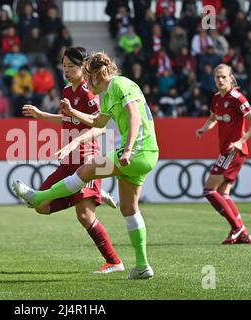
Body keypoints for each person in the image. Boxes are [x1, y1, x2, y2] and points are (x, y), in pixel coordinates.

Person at [13, 52, 159, 280]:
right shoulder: (108, 94)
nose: (88, 83)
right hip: (144, 155)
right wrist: (71, 113)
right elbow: (98, 121)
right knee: (129, 210)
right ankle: (142, 266)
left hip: (138, 150)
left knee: (86, 170)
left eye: (89, 76)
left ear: (97, 74)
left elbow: (133, 116)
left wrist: (128, 148)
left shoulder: (120, 84)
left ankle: (39, 197)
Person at [19, 47, 123, 274]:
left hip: (87, 160)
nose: (66, 70)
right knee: (40, 205)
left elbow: (99, 125)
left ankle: (114, 262)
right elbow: (67, 119)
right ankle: (95, 194)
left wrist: (74, 125)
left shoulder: (90, 92)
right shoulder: (67, 90)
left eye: (71, 66)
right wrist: (42, 115)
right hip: (68, 161)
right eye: (64, 66)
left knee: (84, 216)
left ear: (83, 65)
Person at [196, 63, 251, 244]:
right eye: (217, 77)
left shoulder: (237, 98)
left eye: (224, 77)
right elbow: (213, 119)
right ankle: (243, 234)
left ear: (231, 78)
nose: (220, 80)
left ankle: (237, 227)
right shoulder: (216, 98)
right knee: (224, 193)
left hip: (233, 151)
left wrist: (241, 141)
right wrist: (203, 129)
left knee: (209, 190)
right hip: (227, 150)